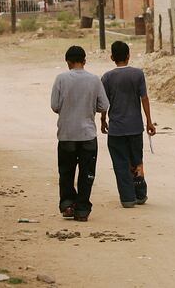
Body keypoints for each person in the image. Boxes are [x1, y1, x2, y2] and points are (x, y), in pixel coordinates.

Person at [50, 45, 110, 222]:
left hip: (67, 134)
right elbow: (104, 106)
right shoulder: (94, 80)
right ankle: (82, 209)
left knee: (66, 172)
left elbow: (54, 106)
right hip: (88, 136)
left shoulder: (60, 79)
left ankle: (68, 204)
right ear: (84, 61)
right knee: (87, 173)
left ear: (67, 61)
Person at [100, 41, 156, 209]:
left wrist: (103, 119)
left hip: (116, 129)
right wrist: (148, 120)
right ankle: (140, 194)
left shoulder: (107, 77)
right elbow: (144, 98)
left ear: (112, 57)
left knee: (120, 163)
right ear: (128, 56)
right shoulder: (137, 74)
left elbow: (104, 103)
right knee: (136, 160)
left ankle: (127, 198)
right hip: (135, 127)